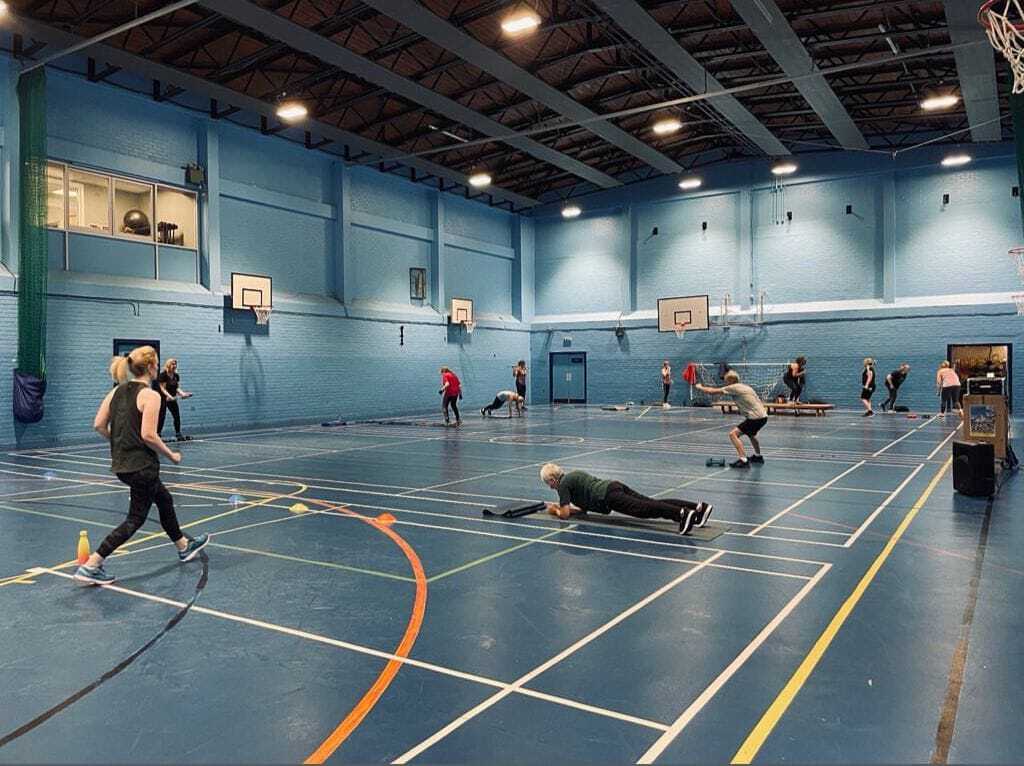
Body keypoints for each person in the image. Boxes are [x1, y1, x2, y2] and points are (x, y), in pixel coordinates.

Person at [75, 346, 207, 585]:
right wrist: (171, 455)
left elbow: (98, 425)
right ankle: (92, 564)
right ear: (151, 367)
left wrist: (119, 442)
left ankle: (183, 546)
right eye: (156, 364)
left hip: (122, 465)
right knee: (135, 519)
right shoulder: (150, 395)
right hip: (142, 467)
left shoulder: (115, 392)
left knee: (164, 499)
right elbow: (148, 435)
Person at [540, 463, 712, 535]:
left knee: (645, 510)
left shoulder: (563, 486)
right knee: (651, 503)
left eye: (548, 483)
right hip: (614, 486)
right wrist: (568, 509)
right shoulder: (573, 476)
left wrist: (555, 510)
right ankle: (698, 509)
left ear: (553, 480)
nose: (550, 487)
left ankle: (682, 514)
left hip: (609, 497)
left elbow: (564, 515)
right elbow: (581, 510)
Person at [695, 370, 768, 469]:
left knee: (733, 434)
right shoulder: (746, 387)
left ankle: (743, 460)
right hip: (763, 416)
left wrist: (700, 387)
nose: (725, 383)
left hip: (754, 418)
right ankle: (758, 457)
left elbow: (712, 391)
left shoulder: (733, 387)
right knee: (751, 434)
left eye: (726, 381)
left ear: (730, 381)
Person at [157, 358, 193, 440]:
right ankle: (158, 434)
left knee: (176, 416)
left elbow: (177, 388)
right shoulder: (163, 375)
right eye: (172, 364)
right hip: (163, 398)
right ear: (168, 365)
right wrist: (169, 396)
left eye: (175, 364)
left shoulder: (176, 376)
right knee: (162, 416)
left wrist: (183, 394)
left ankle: (178, 433)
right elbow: (163, 389)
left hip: (172, 398)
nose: (174, 366)